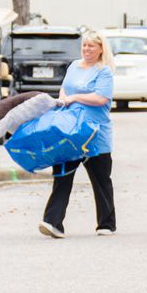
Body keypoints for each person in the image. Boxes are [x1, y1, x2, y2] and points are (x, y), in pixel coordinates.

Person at [39, 30, 117, 238]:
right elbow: (64, 90)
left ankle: (106, 223)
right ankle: (53, 222)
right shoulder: (74, 66)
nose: (87, 49)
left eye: (91, 46)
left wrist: (74, 98)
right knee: (62, 175)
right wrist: (65, 99)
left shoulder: (104, 72)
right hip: (70, 131)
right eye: (84, 45)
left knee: (101, 180)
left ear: (101, 49)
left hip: (94, 133)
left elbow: (101, 98)